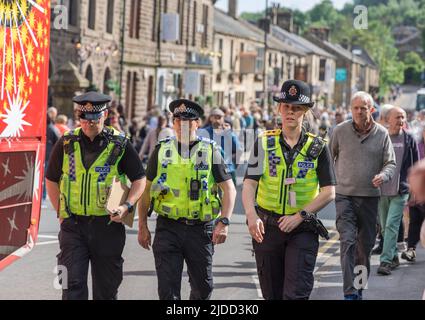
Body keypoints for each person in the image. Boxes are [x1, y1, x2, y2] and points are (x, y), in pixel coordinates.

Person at [45, 91, 146, 300]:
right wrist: (60, 213)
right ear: (78, 117)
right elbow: (51, 178)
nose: (89, 123)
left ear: (105, 115)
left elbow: (139, 179)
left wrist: (127, 205)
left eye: (94, 118)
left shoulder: (119, 144)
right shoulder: (66, 142)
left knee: (106, 291)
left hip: (107, 227)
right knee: (71, 287)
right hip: (73, 227)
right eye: (84, 118)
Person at [243, 80, 336, 300]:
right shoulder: (263, 143)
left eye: (296, 108)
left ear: (306, 112)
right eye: (286, 107)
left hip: (302, 230)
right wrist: (250, 215)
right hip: (267, 228)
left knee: (296, 294)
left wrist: (300, 216)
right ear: (279, 109)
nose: (290, 112)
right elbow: (250, 184)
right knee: (271, 294)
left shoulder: (318, 147)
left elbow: (329, 191)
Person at [137, 99, 236, 300]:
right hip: (168, 228)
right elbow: (145, 191)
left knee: (203, 288)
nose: (182, 125)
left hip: (200, 230)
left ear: (197, 124)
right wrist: (142, 226)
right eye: (178, 120)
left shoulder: (210, 151)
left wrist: (224, 222)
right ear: (173, 123)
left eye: (188, 121)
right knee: (168, 290)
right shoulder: (161, 150)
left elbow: (229, 189)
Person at [329, 91, 396, 300]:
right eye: (356, 108)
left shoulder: (382, 134)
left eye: (363, 108)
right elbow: (328, 159)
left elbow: (391, 163)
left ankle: (359, 289)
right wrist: (329, 186)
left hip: (369, 198)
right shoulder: (339, 131)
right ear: (351, 109)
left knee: (363, 249)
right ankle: (350, 293)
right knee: (348, 241)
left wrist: (383, 176)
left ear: (372, 110)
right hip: (344, 196)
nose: (359, 112)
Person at [376, 107, 419, 275]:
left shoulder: (409, 139)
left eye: (403, 117)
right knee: (385, 228)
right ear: (388, 119)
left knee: (392, 224)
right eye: (397, 117)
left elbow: (415, 166)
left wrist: (414, 190)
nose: (401, 120)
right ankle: (393, 256)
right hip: (382, 190)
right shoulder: (381, 137)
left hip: (401, 191)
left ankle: (385, 261)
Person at [200, 108, 242, 184]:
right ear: (210, 118)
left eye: (219, 117)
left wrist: (235, 165)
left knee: (230, 193)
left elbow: (238, 149)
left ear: (223, 118)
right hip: (211, 170)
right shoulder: (204, 132)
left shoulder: (228, 132)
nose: (217, 120)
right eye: (215, 117)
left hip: (228, 169)